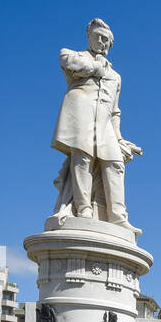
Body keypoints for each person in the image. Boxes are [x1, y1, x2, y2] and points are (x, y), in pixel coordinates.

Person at [51, 18, 143, 233]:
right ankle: (83, 209)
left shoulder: (116, 76)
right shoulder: (72, 54)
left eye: (106, 40)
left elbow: (115, 111)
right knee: (82, 159)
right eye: (98, 37)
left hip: (104, 124)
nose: (102, 42)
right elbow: (71, 64)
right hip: (80, 115)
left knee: (115, 163)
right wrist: (97, 66)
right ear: (89, 36)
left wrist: (120, 139)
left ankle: (118, 217)